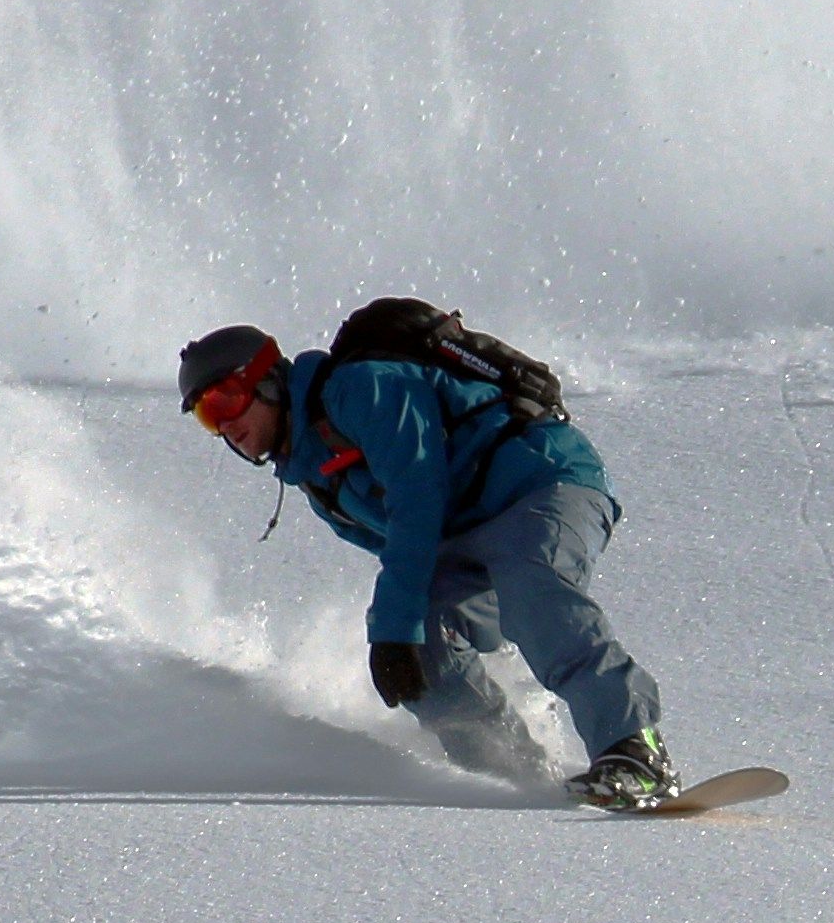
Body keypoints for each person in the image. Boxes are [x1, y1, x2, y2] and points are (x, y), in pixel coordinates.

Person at [176, 322, 676, 807]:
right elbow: (406, 553)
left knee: (530, 586)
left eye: (225, 401)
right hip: (465, 536)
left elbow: (416, 498)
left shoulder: (360, 389)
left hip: (538, 483)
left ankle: (634, 750)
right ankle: (514, 772)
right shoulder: (317, 481)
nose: (224, 426)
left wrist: (393, 628)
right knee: (423, 648)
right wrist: (407, 634)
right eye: (205, 417)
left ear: (266, 381)